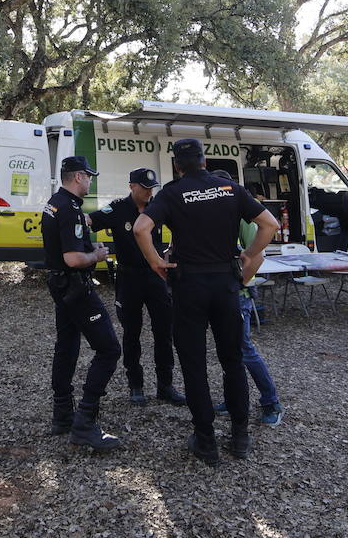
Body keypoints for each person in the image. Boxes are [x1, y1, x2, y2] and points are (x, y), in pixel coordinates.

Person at [133, 139, 277, 466]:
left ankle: (206, 439)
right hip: (226, 284)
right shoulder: (229, 188)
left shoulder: (172, 192)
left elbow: (142, 228)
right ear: (205, 161)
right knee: (233, 360)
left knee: (194, 365)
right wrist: (251, 254)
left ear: (177, 166)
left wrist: (156, 261)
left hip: (189, 286)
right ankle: (240, 435)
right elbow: (270, 225)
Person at [41, 155, 123, 451]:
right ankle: (85, 423)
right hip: (75, 286)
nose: (90, 181)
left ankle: (62, 414)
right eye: (88, 176)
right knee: (110, 349)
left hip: (59, 284)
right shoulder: (70, 209)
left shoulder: (54, 202)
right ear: (77, 177)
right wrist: (97, 256)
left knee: (67, 345)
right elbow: (74, 258)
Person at [89, 167, 186, 406]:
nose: (148, 192)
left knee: (164, 332)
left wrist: (171, 253)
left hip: (156, 277)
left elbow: (183, 227)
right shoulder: (118, 208)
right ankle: (136, 385)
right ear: (132, 186)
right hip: (129, 278)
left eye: (152, 188)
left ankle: (166, 385)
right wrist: (87, 249)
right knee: (131, 333)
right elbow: (89, 221)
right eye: (144, 187)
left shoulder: (158, 207)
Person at [209, 170, 282, 427]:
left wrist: (238, 283)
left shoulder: (243, 215)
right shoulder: (220, 212)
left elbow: (257, 255)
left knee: (244, 350)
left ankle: (271, 402)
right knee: (228, 352)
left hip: (236, 296)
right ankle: (233, 400)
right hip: (220, 295)